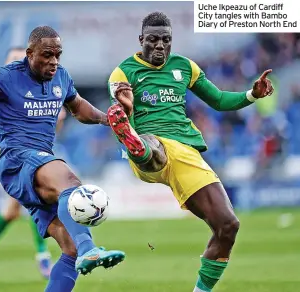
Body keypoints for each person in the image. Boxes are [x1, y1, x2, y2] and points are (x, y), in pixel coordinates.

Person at [0, 26, 125, 292]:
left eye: (57, 55)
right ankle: (90, 249)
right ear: (30, 54)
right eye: (47, 55)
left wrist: (106, 119)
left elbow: (78, 107)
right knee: (69, 181)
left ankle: (82, 250)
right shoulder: (5, 76)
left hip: (39, 163)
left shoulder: (61, 77)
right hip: (16, 161)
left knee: (69, 248)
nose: (53, 61)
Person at [106, 12, 273, 292]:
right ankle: (136, 145)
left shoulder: (185, 67)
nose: (159, 45)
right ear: (141, 40)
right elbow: (122, 112)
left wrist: (252, 94)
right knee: (153, 146)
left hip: (186, 153)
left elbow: (219, 100)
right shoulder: (123, 73)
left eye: (166, 40)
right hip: (149, 146)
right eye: (153, 39)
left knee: (228, 225)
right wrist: (129, 115)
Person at [0, 47, 58, 281]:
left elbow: (57, 118)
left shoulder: (36, 89)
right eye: (13, 60)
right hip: (11, 158)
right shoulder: (2, 88)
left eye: (21, 59)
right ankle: (43, 256)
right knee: (36, 200)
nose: (18, 64)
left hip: (33, 154)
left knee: (11, 211)